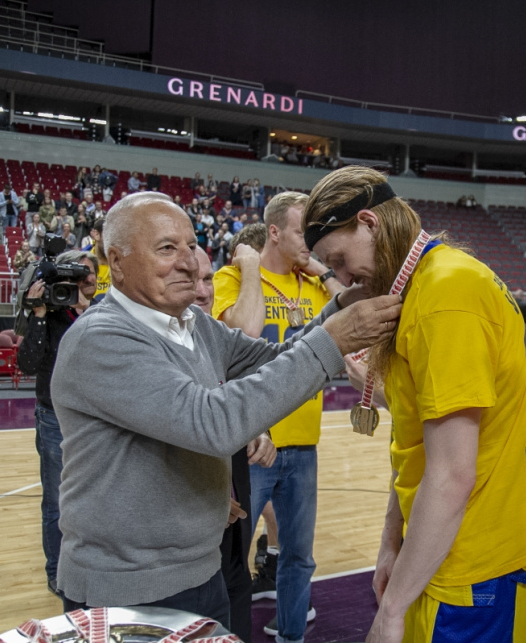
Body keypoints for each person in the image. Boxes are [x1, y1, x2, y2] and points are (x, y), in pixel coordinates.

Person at [49, 191, 401, 629]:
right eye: (167, 248)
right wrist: (334, 341)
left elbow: (274, 357)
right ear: (117, 262)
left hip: (201, 570)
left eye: (191, 245)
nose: (188, 262)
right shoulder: (101, 339)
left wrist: (340, 308)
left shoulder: (192, 324)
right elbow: (211, 423)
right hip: (129, 587)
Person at [304, 167, 526, 643]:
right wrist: (391, 542)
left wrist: (391, 610)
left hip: (476, 567)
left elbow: (452, 473)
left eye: (339, 260)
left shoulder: (444, 293)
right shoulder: (426, 284)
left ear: (369, 223)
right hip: (444, 550)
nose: (342, 279)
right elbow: (418, 441)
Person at [213, 192, 344, 642]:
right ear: (273, 232)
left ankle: (291, 636)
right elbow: (243, 332)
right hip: (253, 444)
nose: (312, 239)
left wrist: (324, 273)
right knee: (231, 560)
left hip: (304, 445)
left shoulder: (315, 285)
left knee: (298, 558)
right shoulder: (232, 277)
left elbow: (355, 313)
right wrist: (252, 269)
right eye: (302, 230)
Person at [194, 243, 275, 641]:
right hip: (185, 546)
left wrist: (257, 428)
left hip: (231, 532)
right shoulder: (144, 345)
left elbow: (240, 388)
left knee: (235, 600)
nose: (202, 290)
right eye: (190, 278)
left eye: (207, 278)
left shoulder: (212, 337)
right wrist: (204, 496)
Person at [16, 249, 98, 597]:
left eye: (90, 273)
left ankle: (91, 563)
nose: (85, 279)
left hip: (97, 418)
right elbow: (28, 364)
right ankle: (56, 570)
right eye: (77, 275)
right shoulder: (49, 313)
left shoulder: (105, 311)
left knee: (96, 496)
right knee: (56, 500)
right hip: (54, 417)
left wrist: (87, 311)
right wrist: (37, 314)